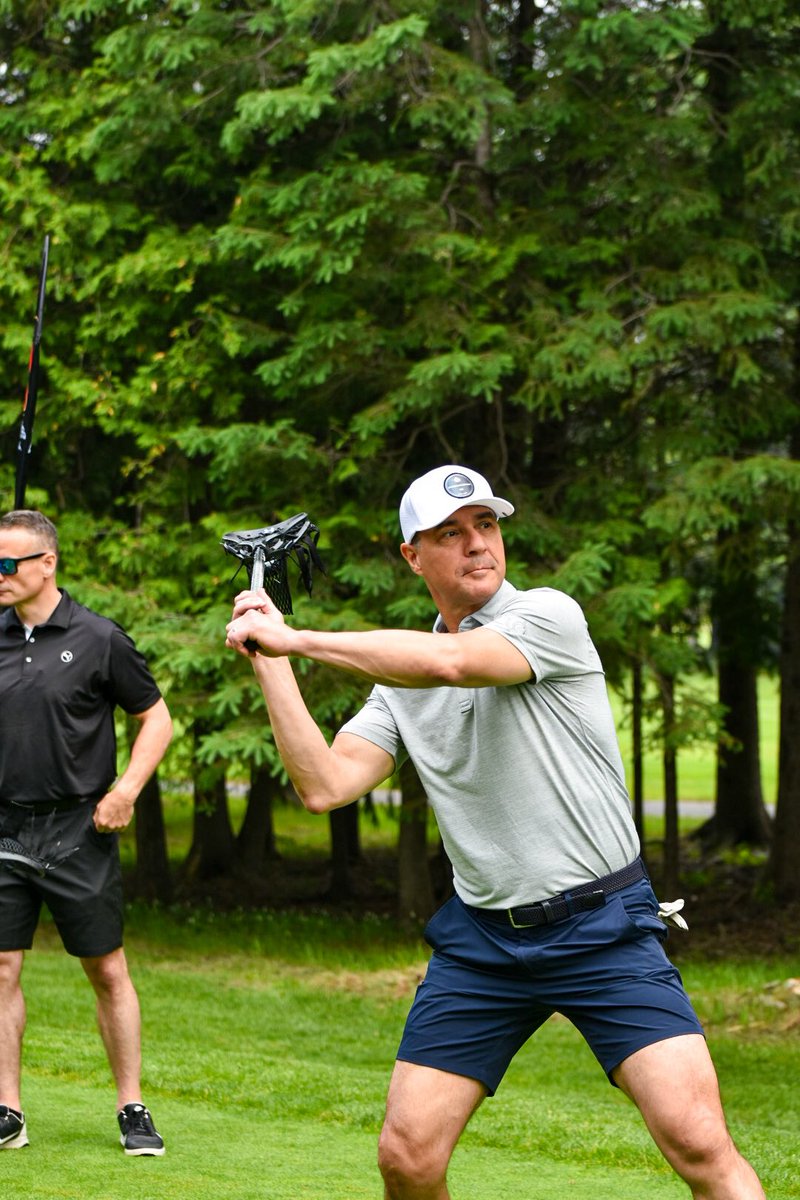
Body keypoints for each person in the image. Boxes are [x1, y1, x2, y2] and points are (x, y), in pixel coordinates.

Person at [225, 465, 765, 1200]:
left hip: (602, 924)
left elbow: (453, 663)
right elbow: (325, 785)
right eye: (451, 533)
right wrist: (269, 658)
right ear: (414, 557)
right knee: (407, 1158)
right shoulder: (399, 685)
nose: (477, 544)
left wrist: (298, 638)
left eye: (486, 526)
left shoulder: (548, 616)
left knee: (700, 1144)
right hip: (484, 944)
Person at [0, 510, 173, 1157]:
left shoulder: (100, 637)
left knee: (105, 967)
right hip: (4, 825)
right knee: (0, 966)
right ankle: (6, 1109)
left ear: (49, 564)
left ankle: (132, 1105)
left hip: (79, 826)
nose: (0, 576)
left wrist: (126, 789)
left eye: (8, 564)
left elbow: (156, 720)